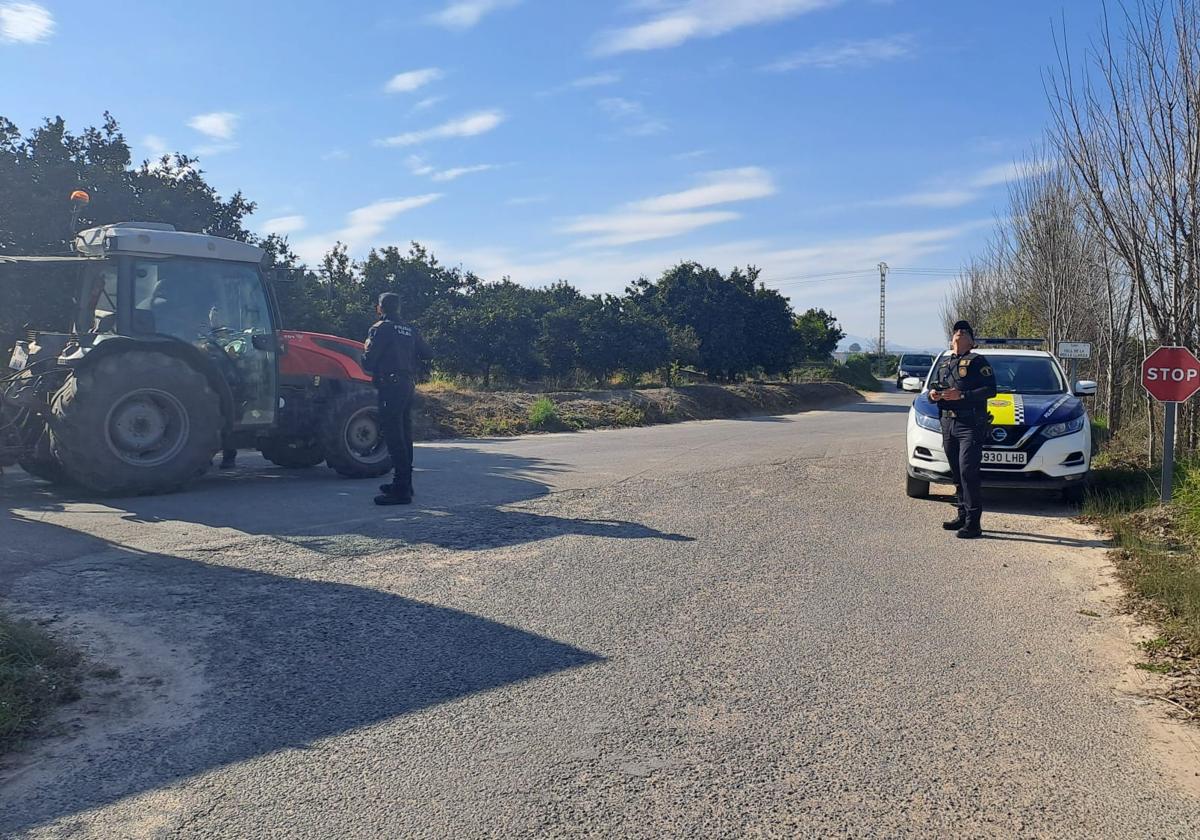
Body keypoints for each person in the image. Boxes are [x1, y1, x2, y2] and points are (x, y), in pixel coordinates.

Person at [362, 292, 433, 506]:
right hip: (407, 384)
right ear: (399, 308)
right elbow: (428, 353)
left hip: (390, 386)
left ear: (380, 308)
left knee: (394, 437)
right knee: (404, 434)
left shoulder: (380, 328)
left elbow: (368, 361)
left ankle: (400, 490)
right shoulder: (409, 329)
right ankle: (405, 484)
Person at [929, 320, 997, 539]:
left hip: (970, 425)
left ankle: (973, 523)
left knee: (968, 472)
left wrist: (963, 396)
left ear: (972, 341)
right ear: (951, 339)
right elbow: (934, 387)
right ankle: (961, 515)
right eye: (956, 331)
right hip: (948, 423)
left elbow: (991, 389)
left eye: (964, 332)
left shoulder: (978, 362)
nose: (958, 333)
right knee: (957, 473)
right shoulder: (944, 364)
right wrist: (933, 395)